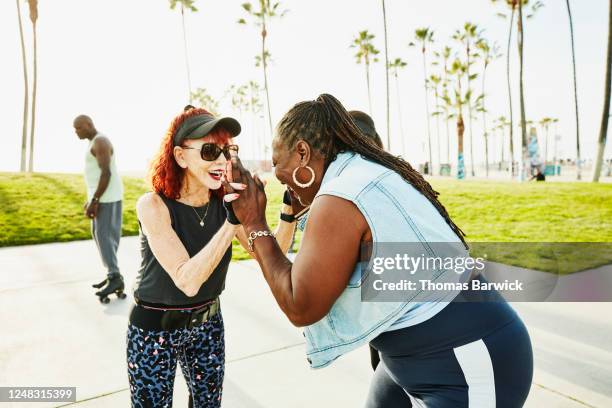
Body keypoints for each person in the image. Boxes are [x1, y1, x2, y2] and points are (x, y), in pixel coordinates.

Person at [225, 94, 533, 407]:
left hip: (469, 365)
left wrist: (253, 222)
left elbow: (300, 305)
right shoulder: (359, 175)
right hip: (413, 360)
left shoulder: (341, 197)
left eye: (280, 166)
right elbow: (293, 269)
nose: (282, 182)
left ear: (302, 152)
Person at [73, 115, 125, 300]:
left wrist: (95, 199)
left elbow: (106, 172)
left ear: (88, 125)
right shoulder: (93, 142)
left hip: (107, 198)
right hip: (100, 197)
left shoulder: (101, 141)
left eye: (78, 128)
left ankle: (114, 276)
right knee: (99, 236)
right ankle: (112, 274)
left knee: (105, 237)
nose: (76, 132)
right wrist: (91, 199)